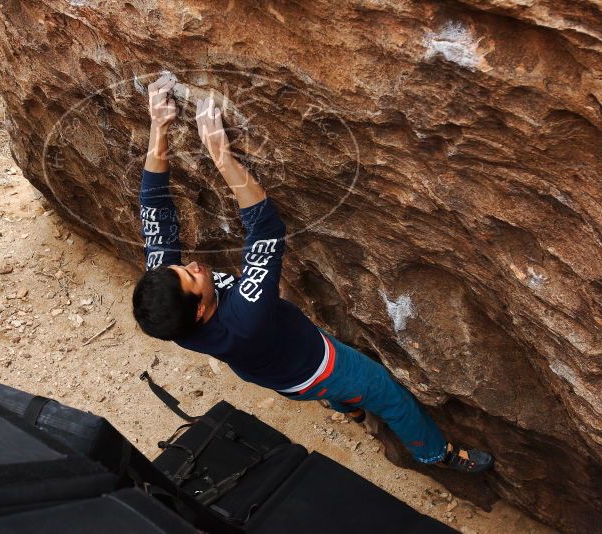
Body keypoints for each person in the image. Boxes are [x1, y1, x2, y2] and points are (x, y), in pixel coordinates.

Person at [132, 73, 493, 473]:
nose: (195, 265)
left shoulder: (170, 306)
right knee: (386, 393)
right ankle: (436, 454)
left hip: (275, 364)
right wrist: (221, 157)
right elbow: (265, 229)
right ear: (199, 311)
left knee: (339, 388)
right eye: (193, 278)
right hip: (314, 363)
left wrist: (158, 124)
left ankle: (349, 407)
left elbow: (155, 209)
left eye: (181, 266)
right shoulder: (243, 320)